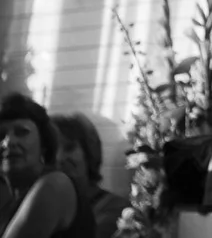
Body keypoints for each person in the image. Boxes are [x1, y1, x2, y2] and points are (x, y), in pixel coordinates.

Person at [0, 94, 93, 238]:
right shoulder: (10, 199)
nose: (8, 142)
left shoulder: (54, 185)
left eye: (22, 132)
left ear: (44, 144)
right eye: (1, 135)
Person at [51, 116, 128, 238]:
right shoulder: (41, 208)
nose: (59, 158)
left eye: (69, 148)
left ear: (88, 153)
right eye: (52, 151)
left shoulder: (116, 208)